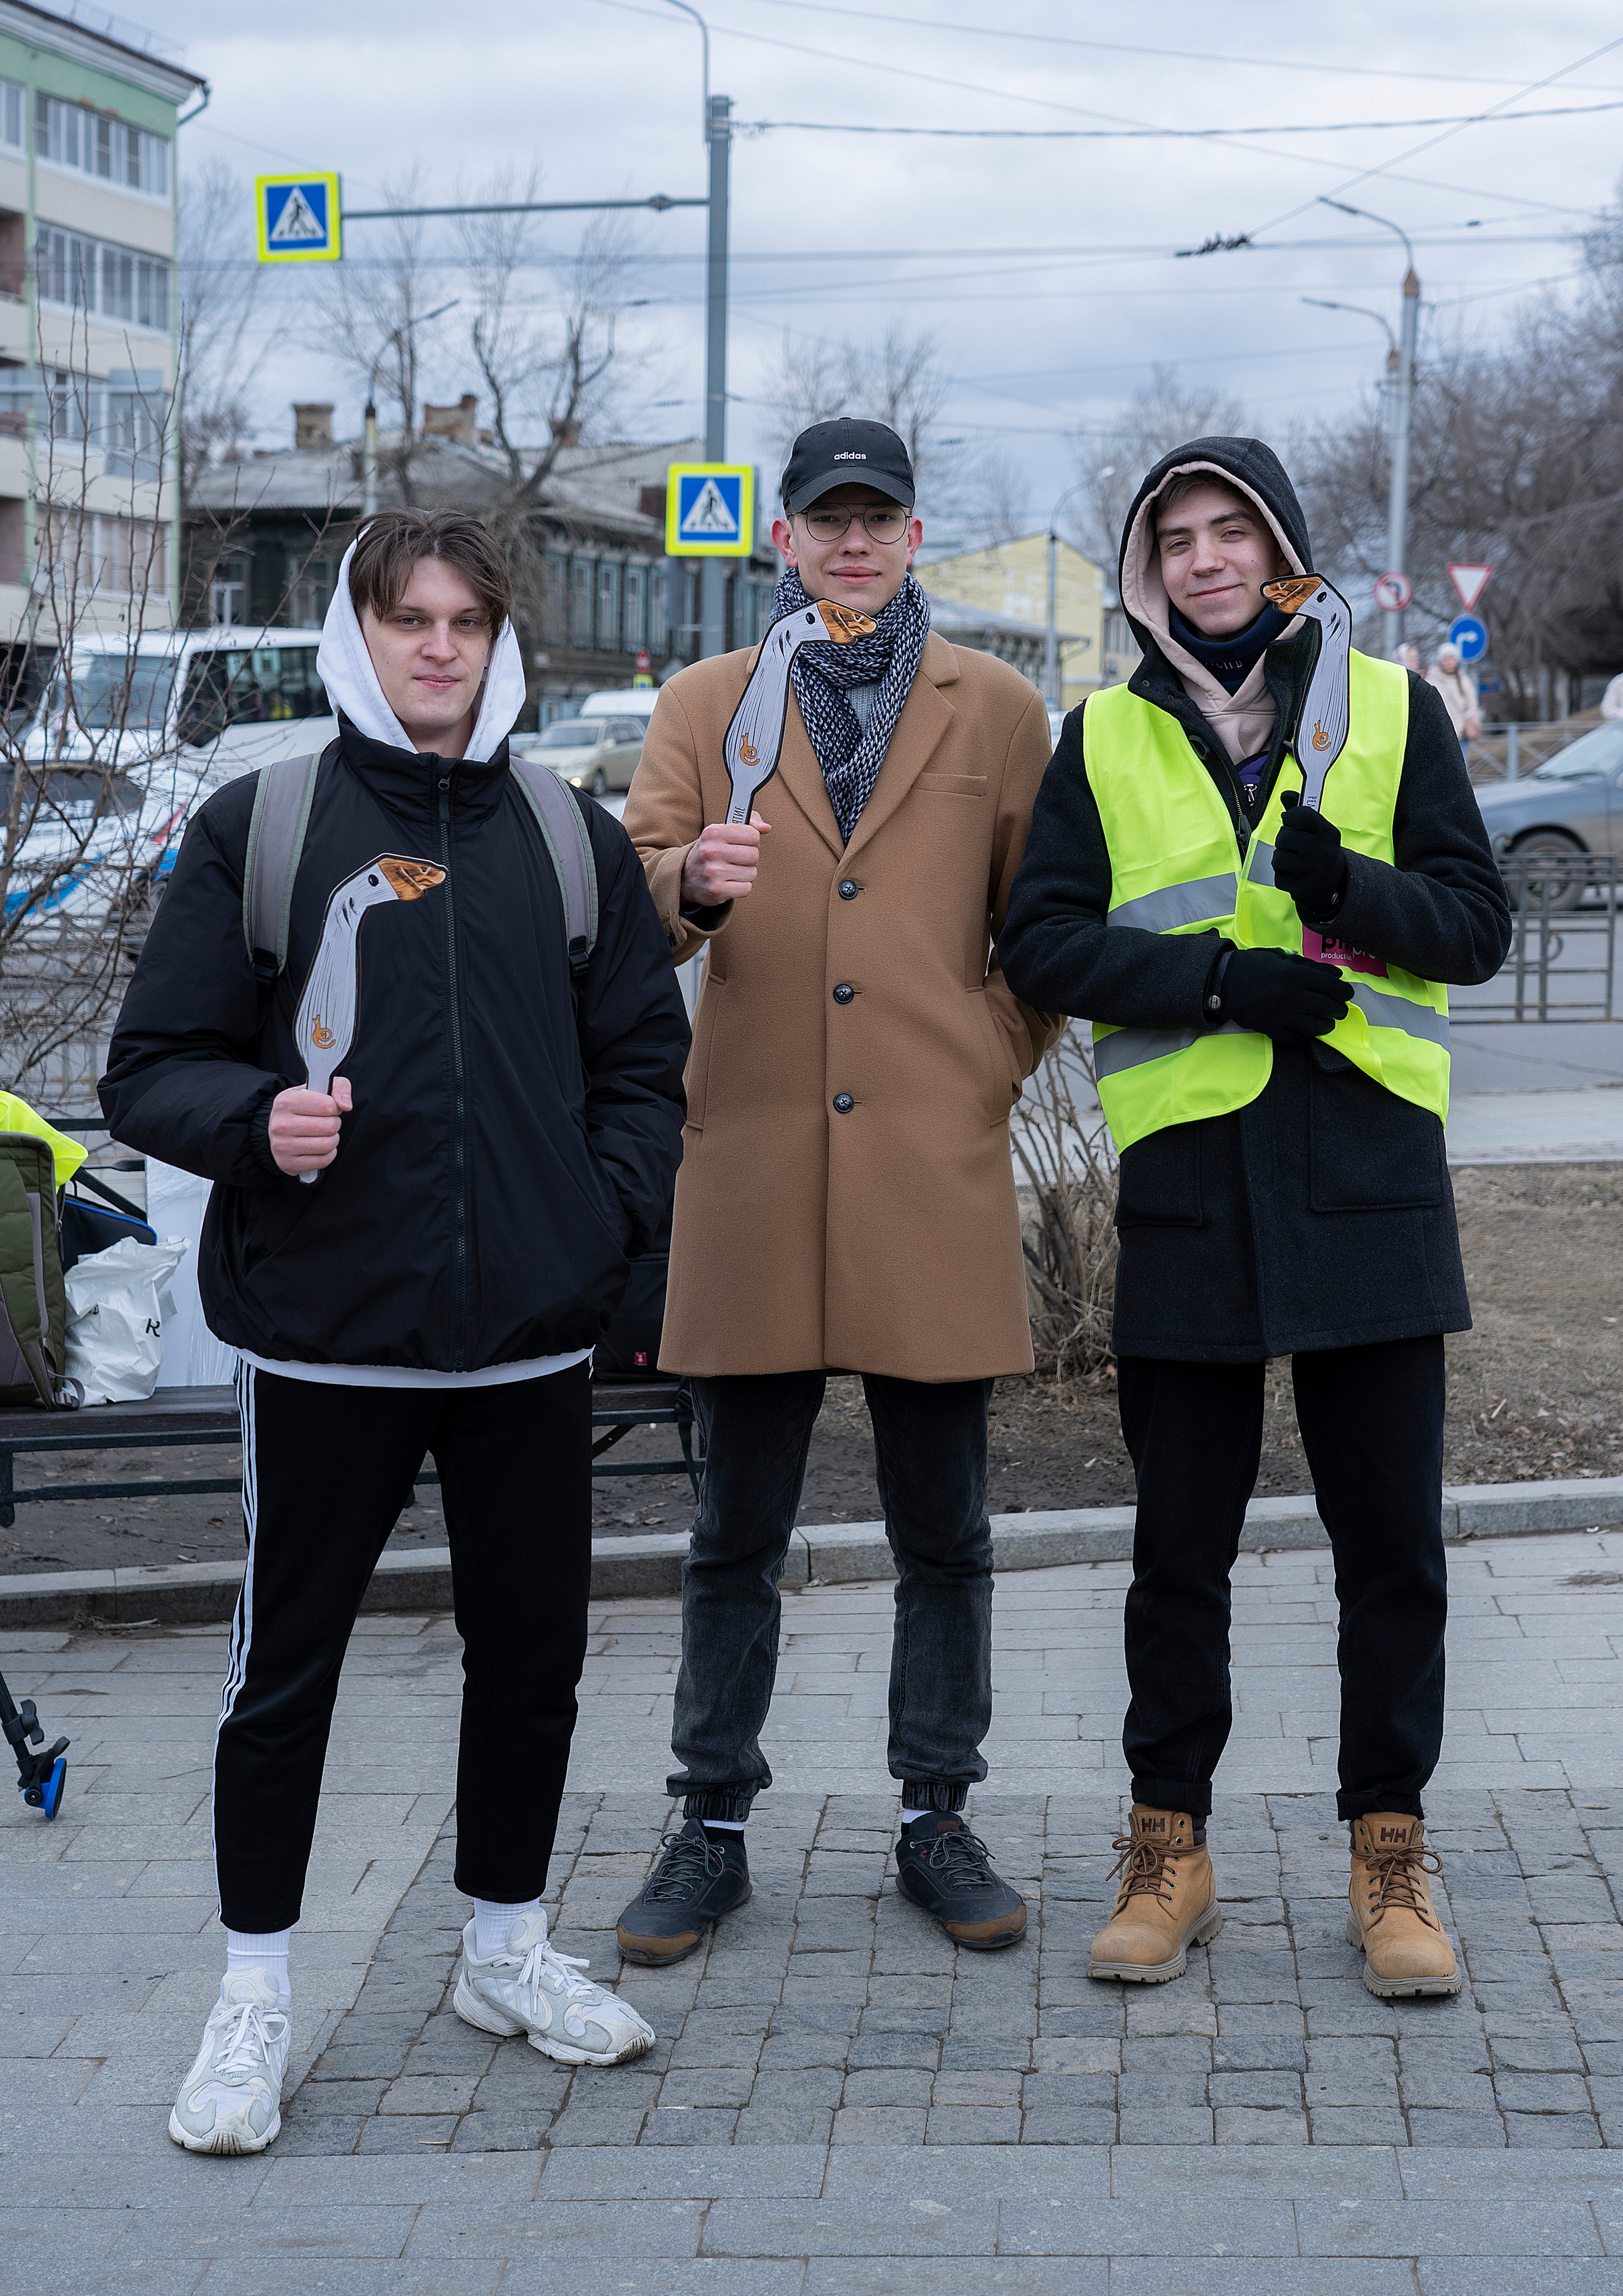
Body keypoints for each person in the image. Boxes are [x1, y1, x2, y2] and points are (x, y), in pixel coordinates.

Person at [101, 510, 690, 2154]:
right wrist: (251, 1118)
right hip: (325, 1338)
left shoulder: (564, 839)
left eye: (463, 621)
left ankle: (503, 1949)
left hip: (524, 1343)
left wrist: (595, 1216)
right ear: (360, 635)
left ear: (499, 641)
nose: (438, 645)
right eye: (407, 617)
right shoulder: (263, 823)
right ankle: (254, 1994)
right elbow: (151, 1062)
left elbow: (646, 1067)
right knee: (280, 1674)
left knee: (532, 1662)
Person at [998, 437, 1512, 2001]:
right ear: (1146, 563)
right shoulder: (1092, 734)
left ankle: (1388, 1853)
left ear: (1283, 551)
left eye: (1233, 532)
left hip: (1363, 1179)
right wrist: (1221, 978)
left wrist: (1343, 887)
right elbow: (1040, 942)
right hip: (1190, 1195)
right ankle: (1170, 1848)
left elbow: (1475, 926)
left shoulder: (1390, 710)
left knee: (1390, 1554)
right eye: (1176, 536)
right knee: (1175, 1554)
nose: (1206, 557)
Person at [616, 417, 1058, 1964]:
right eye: (825, 521)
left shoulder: (997, 709)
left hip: (926, 1167)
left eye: (875, 520)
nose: (851, 543)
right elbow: (631, 904)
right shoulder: (704, 703)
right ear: (783, 540)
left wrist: (982, 1059)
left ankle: (935, 1810)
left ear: (912, 533)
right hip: (747, 1165)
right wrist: (688, 885)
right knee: (733, 1527)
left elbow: (1042, 928)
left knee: (945, 1528)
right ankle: (710, 1819)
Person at [1425, 642, 1482, 751]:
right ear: (1440, 661)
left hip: (1462, 734)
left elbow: (1472, 703)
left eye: (1452, 659)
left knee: (1462, 765)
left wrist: (1469, 718)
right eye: (1446, 659)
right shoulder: (1431, 681)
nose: (1450, 662)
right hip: (1440, 735)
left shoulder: (1463, 680)